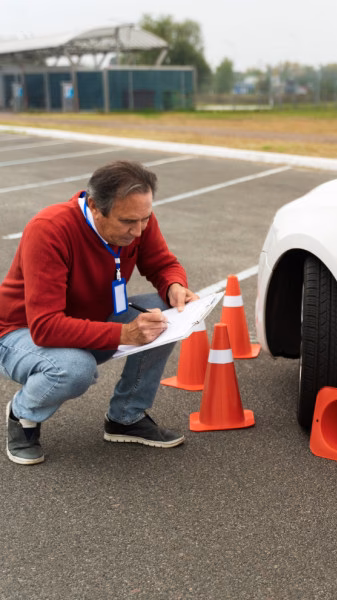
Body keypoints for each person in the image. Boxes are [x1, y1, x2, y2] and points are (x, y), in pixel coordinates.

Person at [0, 160, 198, 465]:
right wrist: (125, 333)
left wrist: (174, 285)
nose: (138, 230)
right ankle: (22, 414)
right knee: (75, 368)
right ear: (94, 206)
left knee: (165, 314)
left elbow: (163, 264)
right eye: (128, 222)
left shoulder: (137, 218)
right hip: (19, 332)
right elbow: (45, 327)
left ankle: (125, 417)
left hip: (89, 319)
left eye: (145, 219)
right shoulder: (49, 229)